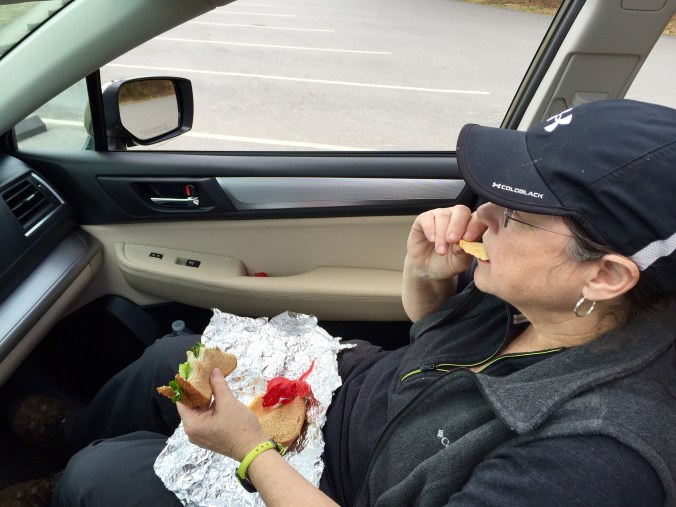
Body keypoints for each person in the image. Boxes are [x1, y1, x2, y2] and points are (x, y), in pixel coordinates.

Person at [2, 98, 675, 506]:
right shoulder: (548, 295)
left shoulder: (594, 459)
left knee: (104, 475)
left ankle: (66, 482)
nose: (484, 215)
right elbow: (432, 336)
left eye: (517, 212)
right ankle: (69, 432)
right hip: (352, 398)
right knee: (173, 354)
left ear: (606, 275)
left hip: (346, 484)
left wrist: (249, 451)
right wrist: (425, 274)